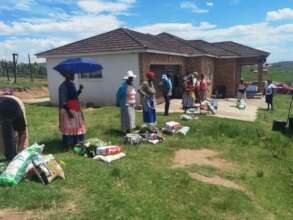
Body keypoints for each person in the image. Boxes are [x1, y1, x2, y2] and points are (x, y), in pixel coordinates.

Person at [58, 72, 86, 147]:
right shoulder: (62, 86)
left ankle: (78, 141)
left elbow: (74, 96)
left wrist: (79, 90)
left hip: (75, 108)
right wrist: (68, 112)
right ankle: (69, 143)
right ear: (67, 75)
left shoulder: (72, 84)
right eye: (72, 74)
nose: (74, 76)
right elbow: (63, 100)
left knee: (77, 126)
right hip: (67, 109)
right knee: (69, 126)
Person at [0, 91, 29, 161]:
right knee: (3, 137)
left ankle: (21, 157)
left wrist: (21, 149)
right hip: (4, 103)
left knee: (20, 134)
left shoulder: (18, 114)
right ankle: (10, 157)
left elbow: (23, 133)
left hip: (14, 103)